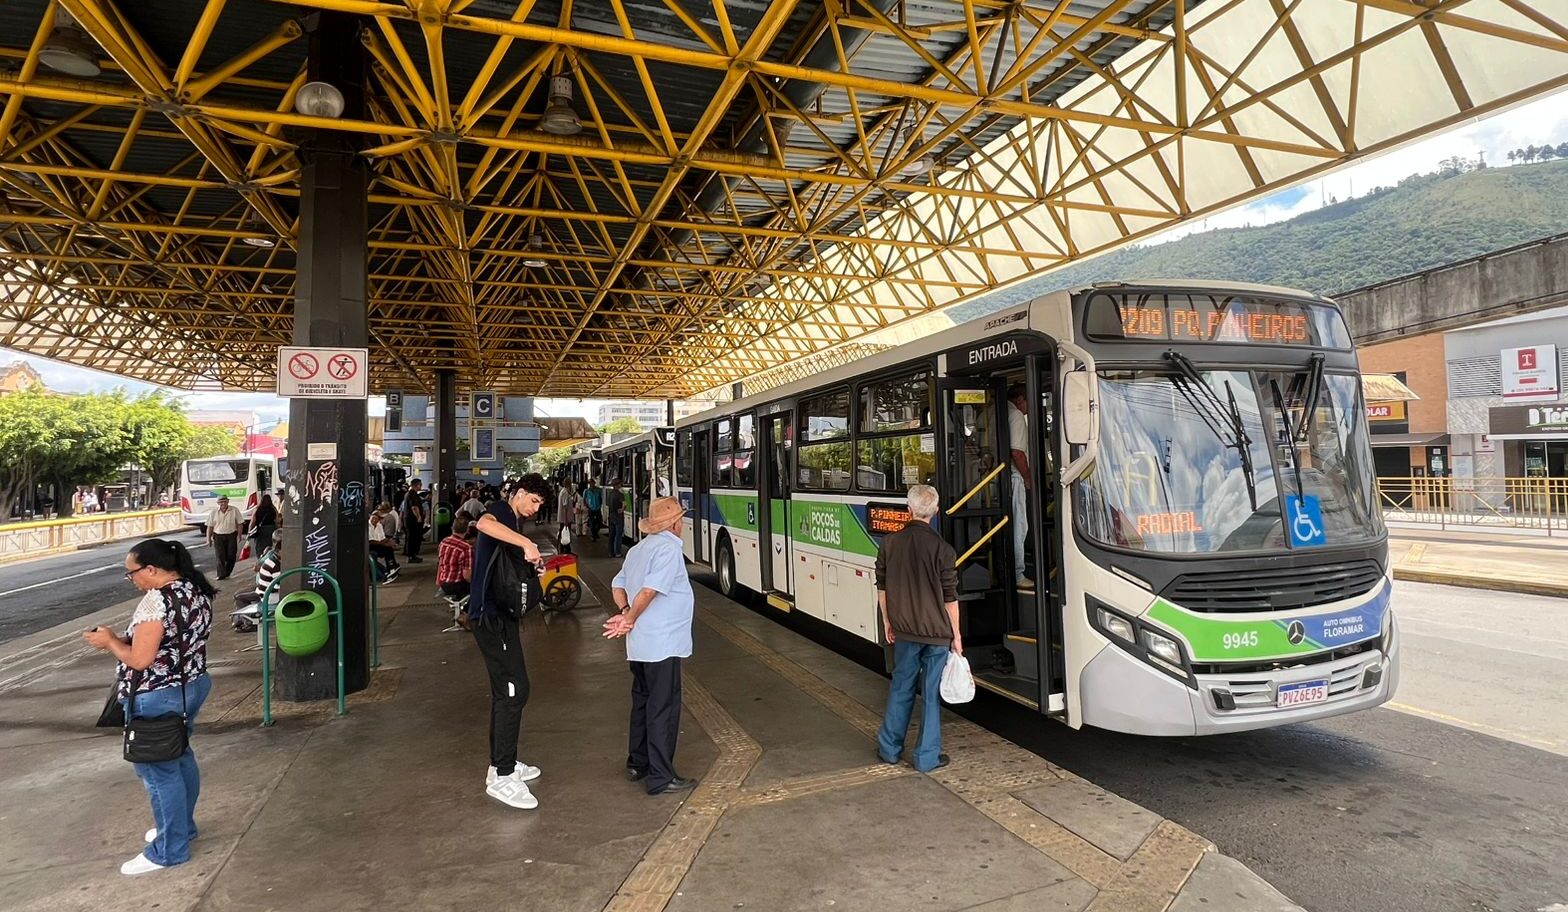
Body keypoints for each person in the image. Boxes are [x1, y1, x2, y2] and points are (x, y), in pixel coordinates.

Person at [83, 538, 215, 876]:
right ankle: (181, 828)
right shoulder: (194, 589)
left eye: (132, 574)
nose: (132, 580)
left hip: (157, 695)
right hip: (191, 685)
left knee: (158, 772)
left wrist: (111, 641)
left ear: (152, 570)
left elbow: (141, 659)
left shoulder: (155, 602)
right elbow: (174, 639)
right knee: (180, 755)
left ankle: (169, 849)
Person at [603, 497, 698, 796]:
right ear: (675, 523)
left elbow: (617, 585)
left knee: (643, 702)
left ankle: (638, 762)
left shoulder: (637, 550)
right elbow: (650, 590)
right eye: (681, 520)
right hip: (662, 643)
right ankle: (661, 776)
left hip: (641, 643)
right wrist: (629, 616)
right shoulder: (669, 548)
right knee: (663, 708)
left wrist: (624, 614)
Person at [469, 473, 552, 810]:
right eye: (532, 500)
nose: (535, 509)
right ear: (518, 493)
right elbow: (483, 524)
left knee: (508, 691)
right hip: (490, 618)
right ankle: (503, 776)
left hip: (500, 617)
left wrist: (534, 566)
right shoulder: (502, 512)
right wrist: (527, 544)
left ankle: (501, 765)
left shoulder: (514, 520)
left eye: (540, 505)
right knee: (514, 689)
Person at [874, 484, 960, 774]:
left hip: (904, 633)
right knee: (932, 695)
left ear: (908, 510)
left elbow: (882, 588)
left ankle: (889, 750)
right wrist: (957, 637)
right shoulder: (943, 550)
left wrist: (888, 621)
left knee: (901, 688)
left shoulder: (889, 544)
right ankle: (926, 757)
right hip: (937, 634)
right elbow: (950, 599)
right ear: (935, 512)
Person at [1006, 383, 1034, 591]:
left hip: (997, 479)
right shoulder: (1015, 416)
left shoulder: (990, 411)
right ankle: (1017, 573)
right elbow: (1017, 452)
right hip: (1014, 478)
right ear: (1019, 399)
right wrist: (1028, 477)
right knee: (1019, 525)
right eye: (1027, 401)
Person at [234, 529, 283, 616]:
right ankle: (244, 620)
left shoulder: (274, 561)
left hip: (269, 597)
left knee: (239, 597)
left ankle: (245, 621)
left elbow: (279, 587)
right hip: (268, 594)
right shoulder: (275, 563)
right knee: (240, 596)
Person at [205, 495, 241, 580]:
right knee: (220, 555)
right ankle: (221, 574)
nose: (223, 503)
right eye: (221, 502)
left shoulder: (234, 510)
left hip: (231, 535)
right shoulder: (214, 512)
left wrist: (239, 535)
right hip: (218, 536)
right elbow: (210, 526)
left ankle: (227, 572)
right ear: (218, 503)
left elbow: (240, 524)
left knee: (231, 555)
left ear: (228, 502)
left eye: (224, 501)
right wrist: (208, 539)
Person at [368, 505, 401, 583]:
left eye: (377, 519)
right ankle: (387, 572)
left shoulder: (379, 526)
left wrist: (389, 541)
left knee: (389, 549)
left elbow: (382, 537)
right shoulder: (368, 526)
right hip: (371, 545)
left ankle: (391, 567)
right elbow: (371, 541)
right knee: (385, 548)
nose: (375, 520)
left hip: (378, 544)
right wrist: (384, 544)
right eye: (374, 518)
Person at [248, 494, 278, 565]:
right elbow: (277, 520)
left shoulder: (257, 509)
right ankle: (269, 560)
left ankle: (261, 561)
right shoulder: (273, 509)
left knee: (260, 547)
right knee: (270, 546)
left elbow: (253, 521)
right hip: (271, 529)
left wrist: (250, 531)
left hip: (261, 530)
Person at [402, 479, 426, 563]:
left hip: (408, 519)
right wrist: (418, 517)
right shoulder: (412, 494)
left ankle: (410, 554)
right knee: (412, 537)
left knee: (410, 537)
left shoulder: (407, 493)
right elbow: (414, 507)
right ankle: (411, 556)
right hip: (412, 520)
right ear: (417, 485)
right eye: (420, 484)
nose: (421, 486)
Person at [607, 482, 626, 558]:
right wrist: (622, 509)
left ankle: (610, 552)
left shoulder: (610, 494)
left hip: (611, 516)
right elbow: (624, 504)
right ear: (617, 485)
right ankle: (617, 552)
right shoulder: (620, 494)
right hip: (618, 517)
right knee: (618, 535)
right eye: (620, 484)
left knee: (611, 535)